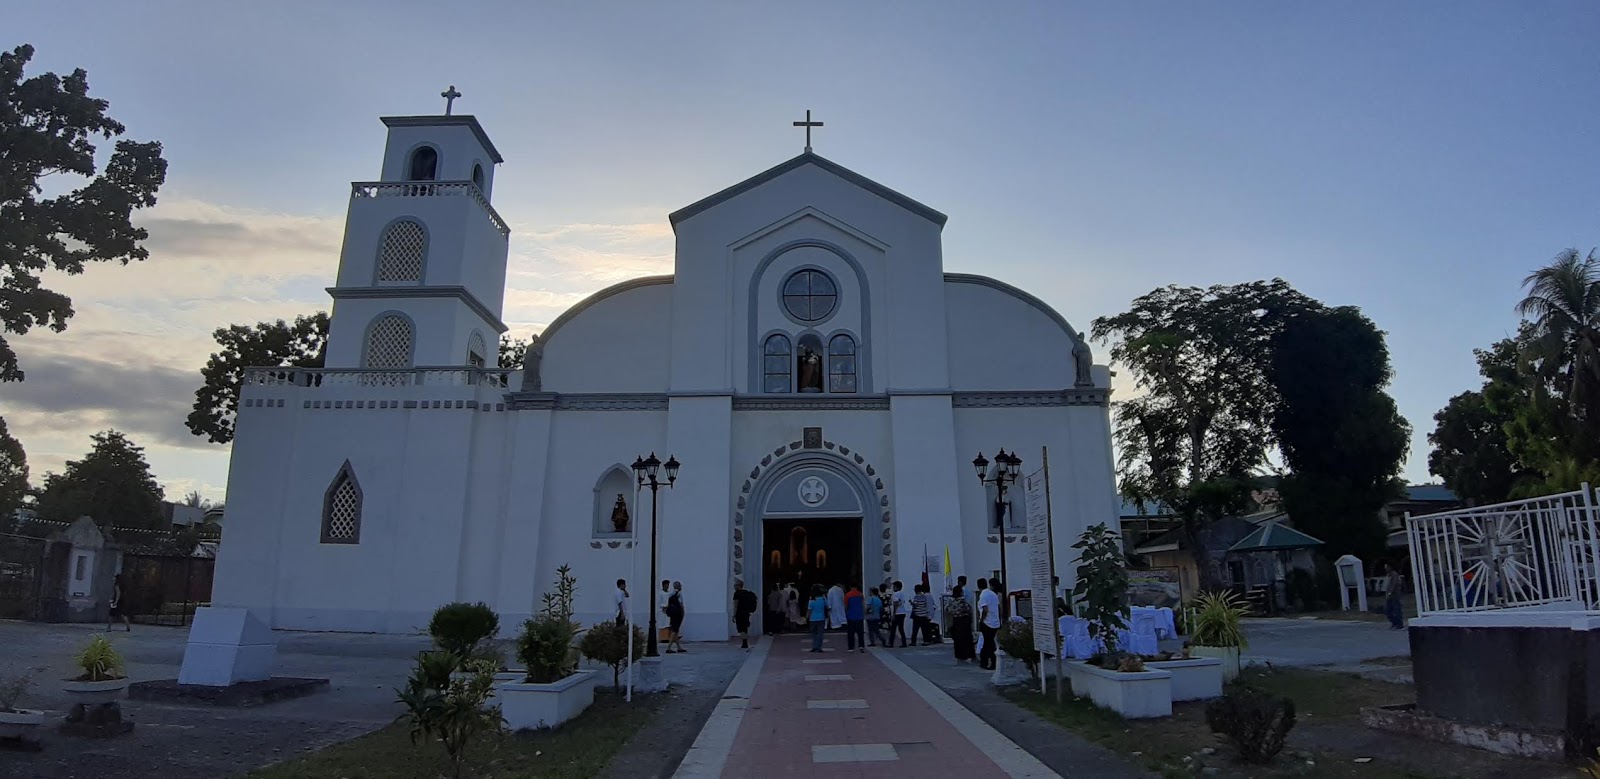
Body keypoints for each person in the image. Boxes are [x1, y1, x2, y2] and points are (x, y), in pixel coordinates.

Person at [978, 577, 1002, 670]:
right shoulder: (993, 594)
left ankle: (988, 662)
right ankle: (987, 662)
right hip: (995, 622)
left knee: (988, 643)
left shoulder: (983, 595)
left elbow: (985, 609)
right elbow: (999, 608)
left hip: (987, 622)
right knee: (989, 642)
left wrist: (982, 619)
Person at [948, 584, 975, 663]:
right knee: (967, 639)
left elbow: (948, 611)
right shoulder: (963, 602)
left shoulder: (952, 603)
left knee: (958, 640)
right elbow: (969, 611)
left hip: (956, 622)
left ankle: (960, 655)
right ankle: (969, 654)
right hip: (965, 622)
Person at [733, 579, 759, 649]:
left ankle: (744, 643)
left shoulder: (737, 593)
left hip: (739, 613)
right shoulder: (746, 593)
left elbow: (735, 605)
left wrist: (734, 615)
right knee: (745, 628)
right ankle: (745, 643)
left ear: (738, 586)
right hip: (746, 613)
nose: (734, 586)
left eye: (735, 585)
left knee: (741, 628)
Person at [665, 581, 687, 653]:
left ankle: (679, 647)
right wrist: (683, 613)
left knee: (675, 630)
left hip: (672, 614)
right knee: (675, 630)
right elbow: (681, 605)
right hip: (678, 614)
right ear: (679, 586)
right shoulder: (679, 594)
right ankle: (668, 647)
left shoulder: (670, 594)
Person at [844, 584, 866, 652]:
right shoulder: (860, 594)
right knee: (860, 632)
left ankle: (851, 647)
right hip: (859, 616)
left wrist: (846, 613)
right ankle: (861, 645)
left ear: (850, 587)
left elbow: (846, 606)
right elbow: (863, 605)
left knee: (851, 632)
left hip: (851, 616)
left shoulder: (847, 595)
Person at [807, 584, 829, 652]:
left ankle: (814, 646)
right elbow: (827, 606)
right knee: (820, 634)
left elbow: (809, 610)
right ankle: (819, 647)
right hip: (821, 618)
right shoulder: (823, 598)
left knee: (814, 634)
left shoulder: (811, 599)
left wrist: (806, 618)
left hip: (813, 618)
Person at [1384, 564, 1405, 630]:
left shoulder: (1394, 574)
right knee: (1387, 611)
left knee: (1396, 610)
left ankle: (1399, 624)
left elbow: (1394, 584)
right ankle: (1395, 622)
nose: (1385, 568)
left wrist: (1390, 592)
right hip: (1389, 596)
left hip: (1394, 595)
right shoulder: (1388, 575)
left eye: (1387, 566)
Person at [889, 581, 910, 648]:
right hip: (902, 612)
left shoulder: (896, 594)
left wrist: (893, 614)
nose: (893, 588)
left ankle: (891, 643)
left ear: (897, 587)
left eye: (894, 587)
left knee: (893, 629)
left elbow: (895, 604)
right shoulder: (902, 594)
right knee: (901, 629)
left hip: (897, 613)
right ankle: (904, 643)